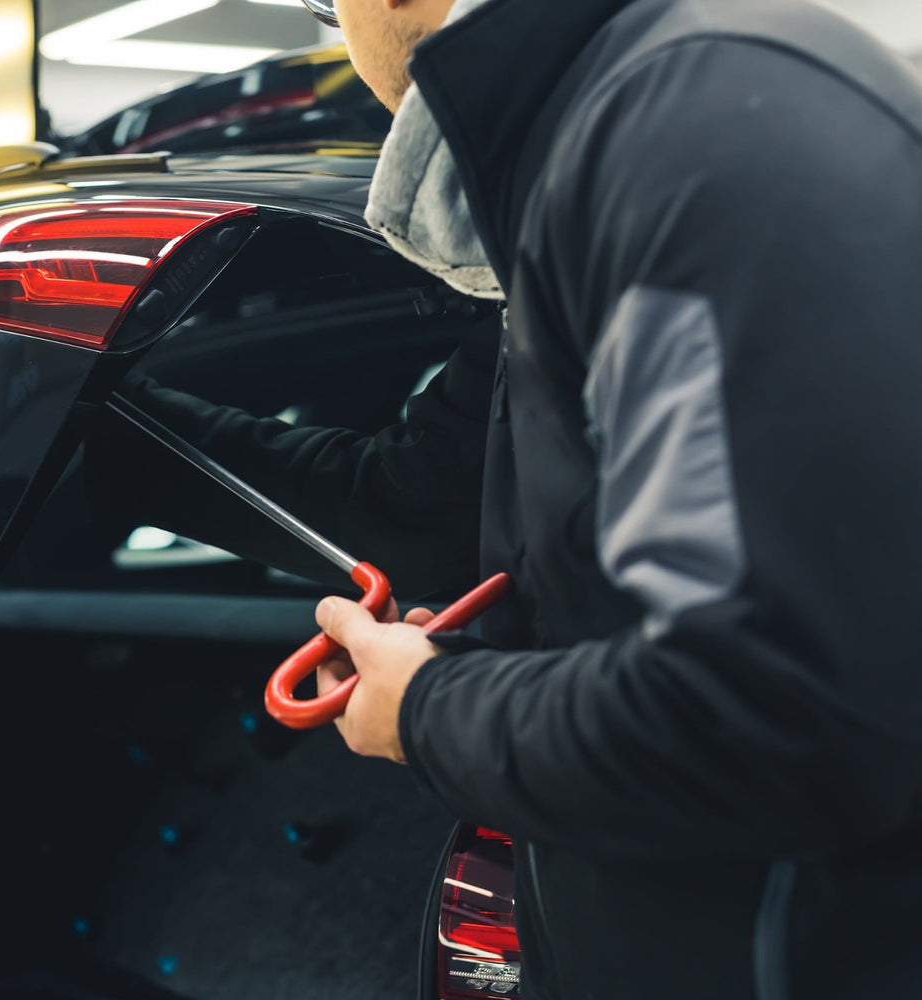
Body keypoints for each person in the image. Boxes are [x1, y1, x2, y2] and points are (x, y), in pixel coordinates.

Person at [94, 0, 922, 996]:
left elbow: (768, 710)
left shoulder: (683, 137)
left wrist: (430, 708)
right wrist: (86, 440)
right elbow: (413, 505)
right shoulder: (601, 151)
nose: (337, 35)